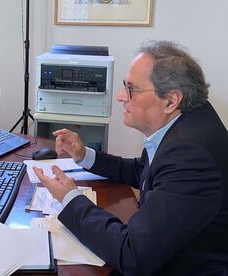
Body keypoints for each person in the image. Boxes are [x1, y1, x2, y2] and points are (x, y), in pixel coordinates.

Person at [33, 40, 228, 275]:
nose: (119, 96)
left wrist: (70, 198)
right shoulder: (184, 127)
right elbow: (143, 171)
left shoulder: (191, 156)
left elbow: (131, 254)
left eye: (131, 89)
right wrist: (85, 156)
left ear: (170, 100)